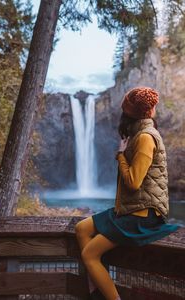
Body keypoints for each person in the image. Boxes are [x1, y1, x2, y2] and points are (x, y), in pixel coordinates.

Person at [75, 87, 180, 300]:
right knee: (81, 228)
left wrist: (121, 157)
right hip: (131, 209)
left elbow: (133, 182)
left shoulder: (145, 138)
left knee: (89, 255)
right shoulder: (138, 135)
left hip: (143, 216)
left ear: (129, 113)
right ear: (149, 112)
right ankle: (99, 290)